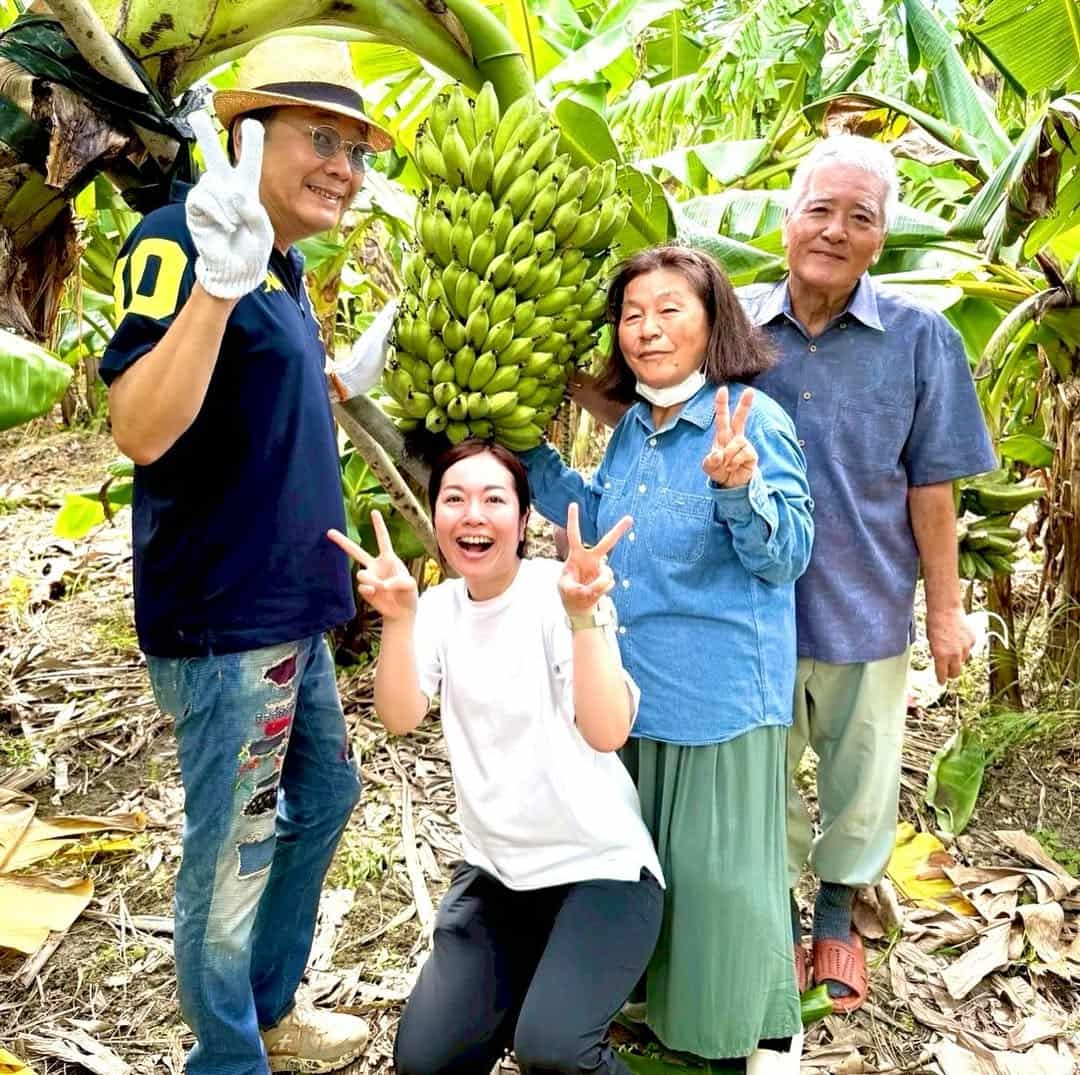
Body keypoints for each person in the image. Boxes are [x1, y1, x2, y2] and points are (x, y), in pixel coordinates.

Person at [98, 36, 393, 1075]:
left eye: (355, 152)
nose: (344, 170)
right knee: (233, 857)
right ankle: (226, 1059)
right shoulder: (183, 238)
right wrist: (217, 292)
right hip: (228, 619)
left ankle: (265, 1010)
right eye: (322, 140)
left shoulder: (282, 260)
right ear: (250, 137)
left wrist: (334, 378)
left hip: (290, 608)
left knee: (328, 798)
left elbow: (247, 398)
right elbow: (140, 427)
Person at [520, 246, 815, 1073]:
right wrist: (525, 454)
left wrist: (739, 487)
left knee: (724, 888)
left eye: (669, 310)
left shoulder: (752, 420)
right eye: (632, 314)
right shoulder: (635, 431)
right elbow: (597, 517)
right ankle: (659, 1010)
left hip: (718, 696)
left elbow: (788, 553)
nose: (646, 328)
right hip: (634, 691)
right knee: (655, 875)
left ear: (714, 322)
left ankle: (760, 1034)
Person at [740, 134, 997, 1010]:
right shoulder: (730, 326)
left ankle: (837, 915)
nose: (835, 231)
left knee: (863, 776)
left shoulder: (922, 340)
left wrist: (945, 612)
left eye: (860, 217)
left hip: (867, 599)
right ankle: (776, 912)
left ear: (882, 238)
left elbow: (934, 486)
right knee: (760, 773)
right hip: (753, 607)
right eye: (819, 210)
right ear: (786, 221)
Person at [327, 441, 665, 1075]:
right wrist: (397, 621)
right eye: (454, 499)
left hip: (601, 873)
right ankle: (525, 990)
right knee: (425, 1064)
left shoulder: (559, 594)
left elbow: (607, 731)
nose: (473, 515)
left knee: (554, 1052)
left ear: (523, 517)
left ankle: (547, 1006)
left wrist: (583, 618)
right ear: (435, 517)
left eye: (494, 499)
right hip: (497, 877)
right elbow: (400, 717)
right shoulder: (437, 609)